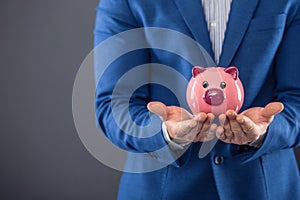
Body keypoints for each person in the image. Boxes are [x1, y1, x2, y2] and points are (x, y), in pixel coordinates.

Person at [94, 0, 300, 199]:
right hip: (162, 188)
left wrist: (267, 130)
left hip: (263, 189)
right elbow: (114, 104)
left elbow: (296, 100)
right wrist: (164, 131)